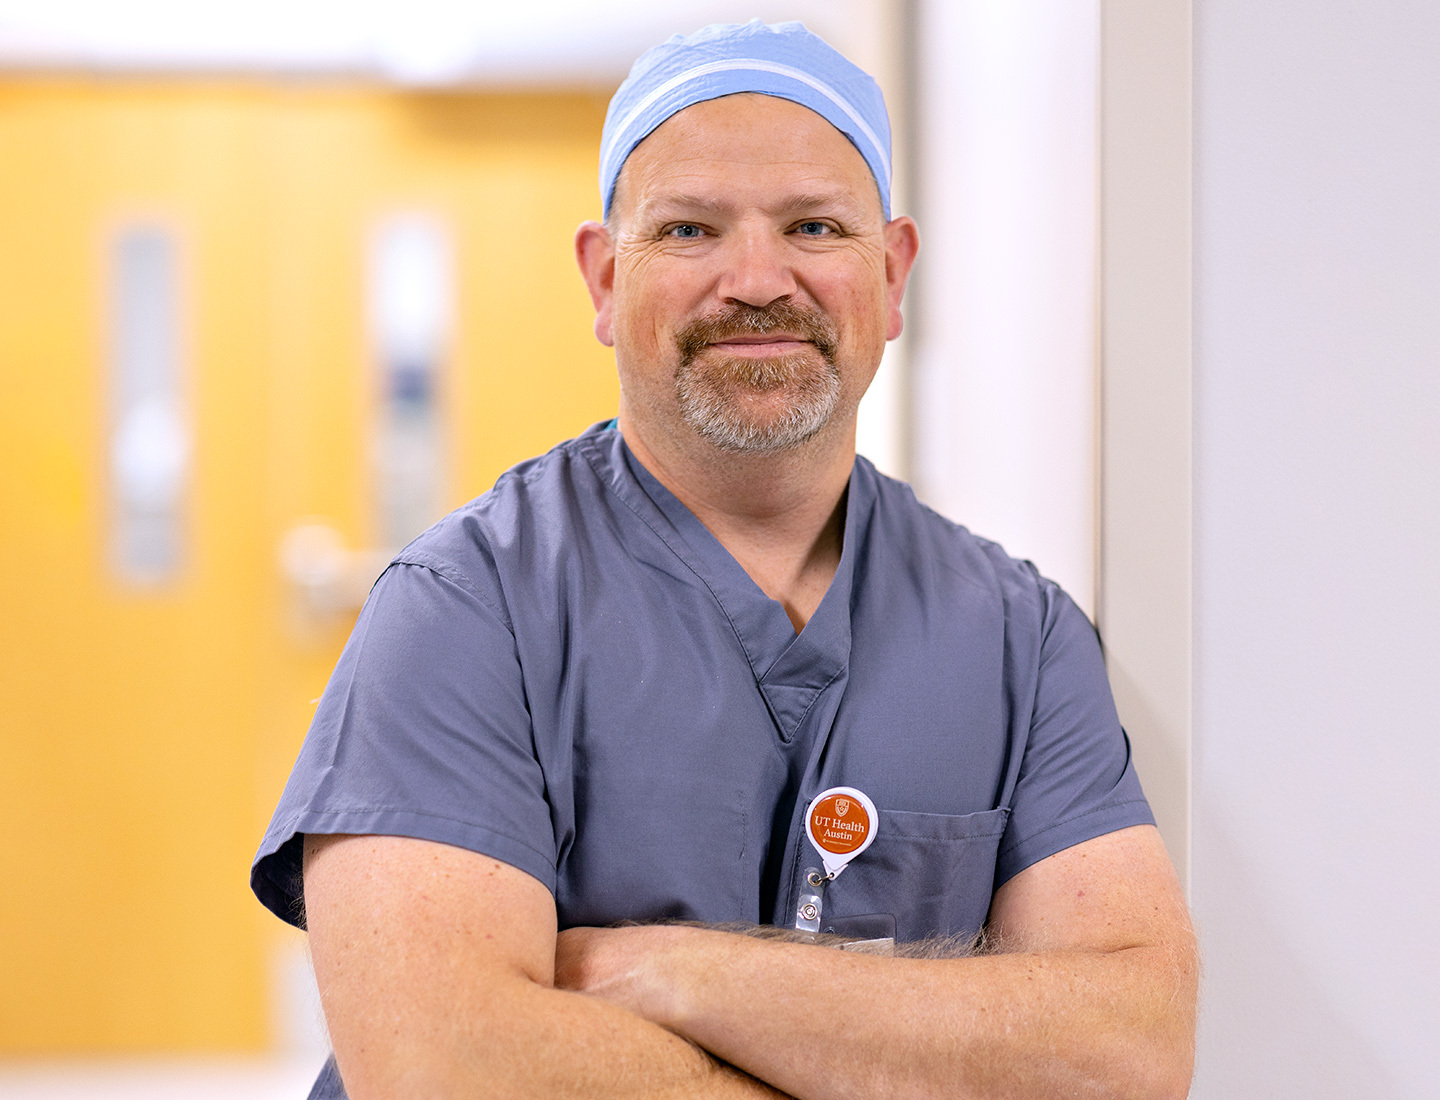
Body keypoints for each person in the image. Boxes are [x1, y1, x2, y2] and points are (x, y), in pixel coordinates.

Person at [252, 19, 1197, 1100]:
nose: (757, 279)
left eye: (812, 225)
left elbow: (1129, 1051)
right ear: (606, 280)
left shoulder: (1019, 636)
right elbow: (448, 1068)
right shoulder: (466, 609)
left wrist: (672, 972)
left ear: (890, 276)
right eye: (692, 229)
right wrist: (912, 1051)